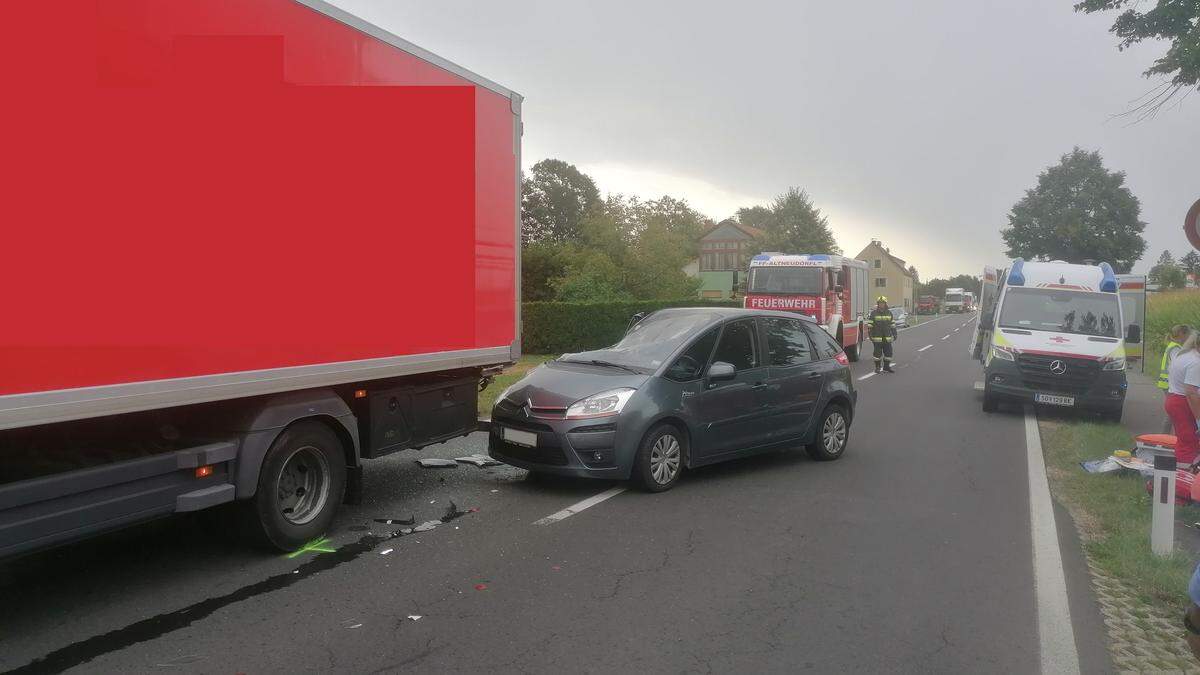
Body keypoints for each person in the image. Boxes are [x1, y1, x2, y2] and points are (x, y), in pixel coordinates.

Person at [1165, 330, 1200, 467]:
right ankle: (1184, 478)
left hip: (1174, 399)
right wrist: (1199, 420)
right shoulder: (1196, 362)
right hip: (1182, 403)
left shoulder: (1184, 355)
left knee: (1184, 439)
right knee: (1189, 441)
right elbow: (1191, 393)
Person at [1160, 325, 1192, 433]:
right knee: (1173, 413)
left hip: (1167, 383)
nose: (1188, 338)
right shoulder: (1175, 348)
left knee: (1173, 413)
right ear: (1181, 334)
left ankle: (1166, 438)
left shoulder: (1172, 346)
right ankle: (1165, 439)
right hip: (1170, 384)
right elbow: (1178, 365)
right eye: (1187, 335)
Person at [868, 296, 897, 374]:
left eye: (883, 303)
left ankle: (886, 367)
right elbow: (870, 325)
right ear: (878, 304)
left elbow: (892, 324)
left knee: (889, 353)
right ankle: (877, 367)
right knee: (877, 354)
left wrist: (894, 333)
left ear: (885, 304)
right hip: (877, 338)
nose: (881, 304)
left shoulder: (889, 313)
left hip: (887, 337)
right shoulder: (873, 313)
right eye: (880, 303)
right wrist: (870, 335)